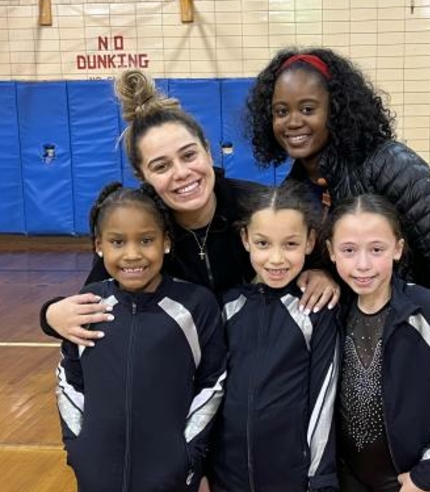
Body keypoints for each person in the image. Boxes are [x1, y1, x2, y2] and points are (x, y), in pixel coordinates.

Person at [247, 47, 430, 380]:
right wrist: (322, 272)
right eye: (281, 111)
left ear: (335, 110)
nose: (293, 122)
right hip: (391, 313)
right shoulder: (297, 188)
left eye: (307, 108)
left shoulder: (391, 164)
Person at [41, 69, 340, 347]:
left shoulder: (257, 206)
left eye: (188, 155)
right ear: (142, 176)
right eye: (161, 166)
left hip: (254, 359)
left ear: (208, 151)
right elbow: (93, 295)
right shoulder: (139, 224)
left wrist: (321, 272)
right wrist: (51, 314)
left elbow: (314, 251)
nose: (181, 172)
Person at [56, 183, 226, 492]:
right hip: (96, 471)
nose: (132, 254)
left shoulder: (195, 305)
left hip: (170, 474)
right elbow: (70, 378)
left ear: (166, 243)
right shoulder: (88, 303)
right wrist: (78, 447)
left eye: (146, 240)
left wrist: (188, 453)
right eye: (117, 242)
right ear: (99, 245)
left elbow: (212, 381)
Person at [326, 194, 430, 492]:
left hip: (409, 482)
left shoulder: (428, 309)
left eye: (376, 249)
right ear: (331, 252)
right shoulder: (331, 312)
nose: (362, 264)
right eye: (348, 250)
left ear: (397, 249)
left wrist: (425, 475)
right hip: (347, 480)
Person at [208, 182, 339, 492]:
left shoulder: (317, 311)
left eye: (290, 244)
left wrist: (320, 481)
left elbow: (324, 399)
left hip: (291, 477)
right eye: (263, 244)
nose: (276, 259)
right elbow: (210, 389)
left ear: (310, 242)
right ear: (245, 240)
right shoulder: (227, 306)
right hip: (227, 477)